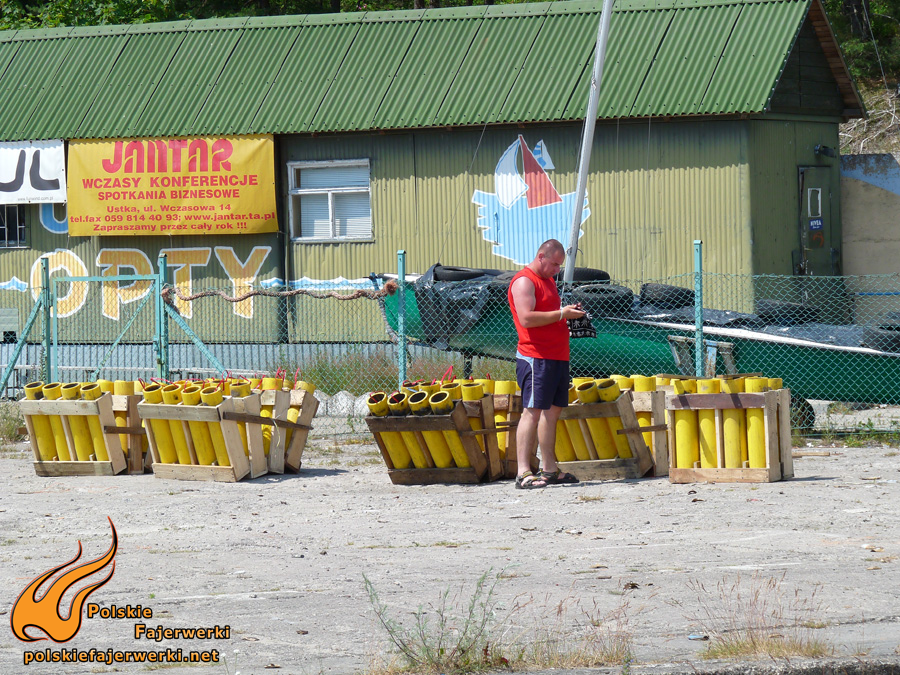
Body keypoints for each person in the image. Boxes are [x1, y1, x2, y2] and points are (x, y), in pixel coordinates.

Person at [507, 239, 586, 489]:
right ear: (541, 256)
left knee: (552, 413)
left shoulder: (548, 280)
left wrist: (569, 315)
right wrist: (562, 313)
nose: (557, 270)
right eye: (554, 264)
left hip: (557, 356)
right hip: (535, 357)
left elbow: (548, 314)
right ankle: (522, 472)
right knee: (532, 412)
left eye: (559, 265)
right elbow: (526, 318)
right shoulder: (524, 281)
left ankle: (549, 469)